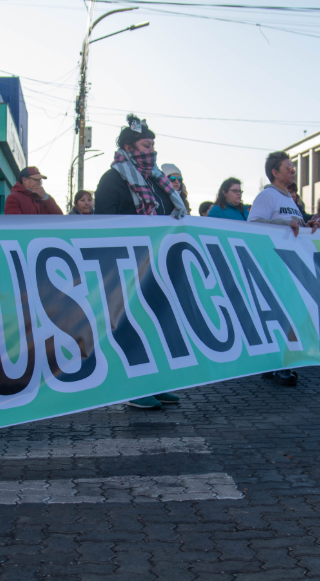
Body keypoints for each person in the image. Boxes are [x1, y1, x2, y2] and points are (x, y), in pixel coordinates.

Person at [94, 115, 186, 409]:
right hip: (127, 265)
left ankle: (156, 383)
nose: (152, 151)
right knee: (133, 324)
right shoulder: (113, 179)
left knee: (158, 323)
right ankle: (132, 388)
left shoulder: (156, 179)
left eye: (153, 146)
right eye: (147, 145)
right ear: (128, 146)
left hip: (157, 264)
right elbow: (104, 222)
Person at [248, 151, 304, 387]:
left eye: (293, 166)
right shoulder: (267, 196)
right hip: (272, 264)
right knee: (282, 315)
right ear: (275, 172)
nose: (293, 169)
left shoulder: (289, 199)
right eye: (288, 166)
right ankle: (281, 365)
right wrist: (285, 224)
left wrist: (306, 225)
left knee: (288, 313)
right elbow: (253, 224)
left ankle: (274, 364)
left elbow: (292, 227)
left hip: (289, 265)